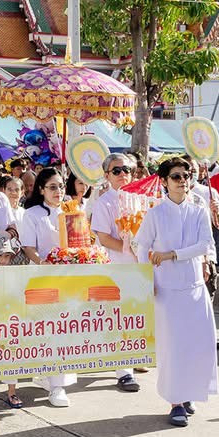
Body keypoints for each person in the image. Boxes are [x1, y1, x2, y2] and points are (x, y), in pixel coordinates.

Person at [135, 157, 219, 427]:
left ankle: (190, 392)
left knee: (197, 343)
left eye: (186, 175)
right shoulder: (155, 213)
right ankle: (175, 401)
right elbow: (141, 246)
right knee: (173, 346)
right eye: (176, 176)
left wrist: (172, 254)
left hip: (194, 286)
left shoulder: (198, 210)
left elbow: (205, 244)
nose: (183, 181)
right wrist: (146, 278)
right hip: (167, 289)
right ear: (164, 181)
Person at [14, 167, 76, 408]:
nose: (58, 191)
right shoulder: (31, 215)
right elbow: (29, 247)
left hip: (69, 278)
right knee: (48, 330)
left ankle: (58, 383)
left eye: (61, 186)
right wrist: (46, 265)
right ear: (41, 190)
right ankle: (50, 379)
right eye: (52, 187)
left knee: (66, 331)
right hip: (43, 278)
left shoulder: (71, 211)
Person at [87, 152, 143, 394]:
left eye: (126, 170)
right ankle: (124, 371)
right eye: (117, 171)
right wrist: (127, 247)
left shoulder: (140, 198)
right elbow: (102, 236)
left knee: (137, 315)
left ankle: (133, 357)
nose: (123, 175)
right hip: (117, 267)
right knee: (120, 318)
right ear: (107, 175)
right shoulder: (104, 202)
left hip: (140, 267)